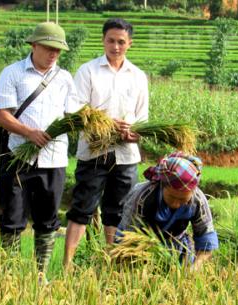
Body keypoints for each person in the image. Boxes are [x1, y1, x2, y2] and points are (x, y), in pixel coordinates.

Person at [0, 22, 80, 280]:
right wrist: (28, 132)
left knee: (47, 220)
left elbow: (72, 116)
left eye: (58, 50)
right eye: (48, 47)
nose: (53, 54)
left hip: (54, 160)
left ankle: (40, 274)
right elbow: (0, 115)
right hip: (17, 157)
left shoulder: (64, 78)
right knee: (12, 217)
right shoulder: (13, 73)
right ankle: (8, 276)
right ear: (34, 45)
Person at [63, 18, 149, 268]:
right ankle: (67, 266)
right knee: (82, 208)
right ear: (103, 40)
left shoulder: (138, 76)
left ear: (129, 44)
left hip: (126, 154)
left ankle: (112, 263)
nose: (116, 46)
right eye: (111, 40)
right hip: (93, 151)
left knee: (118, 211)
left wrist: (135, 133)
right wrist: (105, 122)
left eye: (121, 42)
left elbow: (142, 117)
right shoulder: (88, 71)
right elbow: (74, 108)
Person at [116, 152, 219, 270]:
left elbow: (206, 241)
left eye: (182, 200)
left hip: (178, 248)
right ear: (162, 185)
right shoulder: (142, 198)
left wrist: (194, 269)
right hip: (141, 248)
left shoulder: (197, 201)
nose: (176, 204)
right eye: (172, 197)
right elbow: (128, 238)